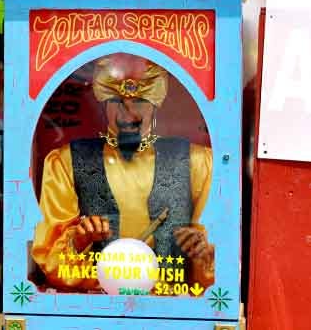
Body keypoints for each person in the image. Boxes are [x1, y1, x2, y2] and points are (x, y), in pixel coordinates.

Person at [31, 53, 215, 293]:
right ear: (103, 104)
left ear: (155, 104)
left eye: (139, 101)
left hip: (171, 311)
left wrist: (203, 255)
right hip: (93, 310)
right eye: (117, 102)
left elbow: (213, 275)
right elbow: (51, 259)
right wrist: (79, 240)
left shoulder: (197, 163)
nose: (128, 114)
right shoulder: (67, 162)